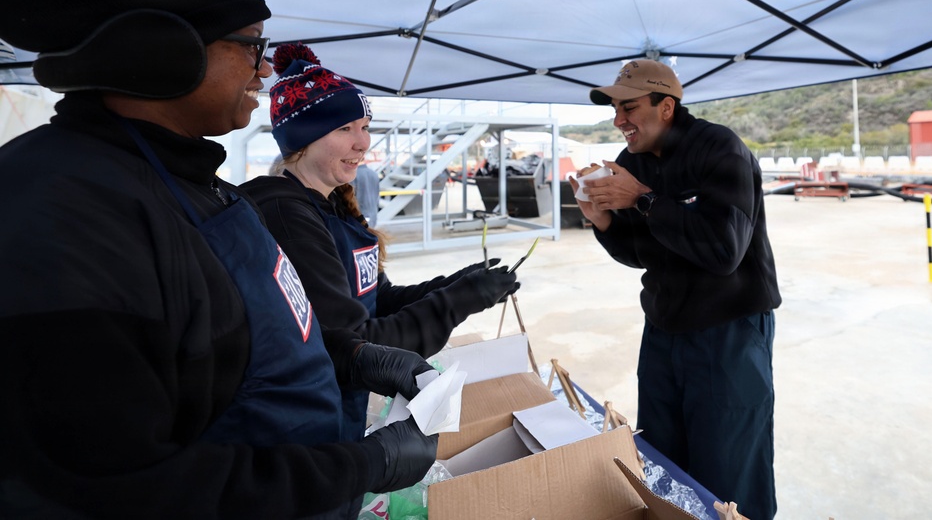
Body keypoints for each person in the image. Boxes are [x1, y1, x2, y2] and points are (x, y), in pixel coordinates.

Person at [0, 0, 438, 520]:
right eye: (251, 46)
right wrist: (361, 465)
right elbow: (118, 484)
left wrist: (352, 355)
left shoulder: (197, 187)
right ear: (162, 49)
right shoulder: (60, 211)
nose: (264, 70)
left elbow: (238, 341)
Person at [240, 43, 520, 442]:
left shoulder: (334, 207)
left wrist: (457, 283)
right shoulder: (289, 220)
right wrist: (458, 301)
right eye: (344, 129)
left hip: (343, 415)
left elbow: (377, 298)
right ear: (303, 138)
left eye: (364, 127)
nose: (363, 143)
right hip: (306, 429)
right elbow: (358, 345)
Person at [572, 59, 782, 520]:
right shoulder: (631, 163)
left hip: (727, 333)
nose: (618, 120)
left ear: (666, 107)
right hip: (665, 330)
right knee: (663, 458)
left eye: (629, 107)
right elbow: (640, 252)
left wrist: (643, 198)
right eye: (614, 108)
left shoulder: (719, 149)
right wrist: (603, 219)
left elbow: (724, 251)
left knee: (728, 469)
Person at [353, 162, 380, 227]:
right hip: (373, 213)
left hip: (359, 213)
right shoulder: (374, 174)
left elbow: (351, 196)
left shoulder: (354, 175)